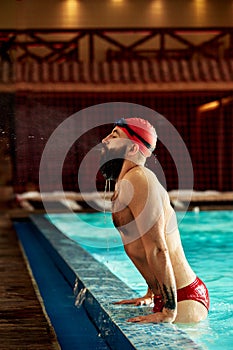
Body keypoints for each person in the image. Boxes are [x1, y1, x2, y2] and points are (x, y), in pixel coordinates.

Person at [100, 117, 209, 324]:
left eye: (114, 136)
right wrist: (152, 293)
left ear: (132, 149)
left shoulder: (139, 178)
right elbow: (142, 242)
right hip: (169, 296)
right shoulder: (127, 181)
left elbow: (158, 248)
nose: (104, 140)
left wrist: (168, 311)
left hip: (184, 298)